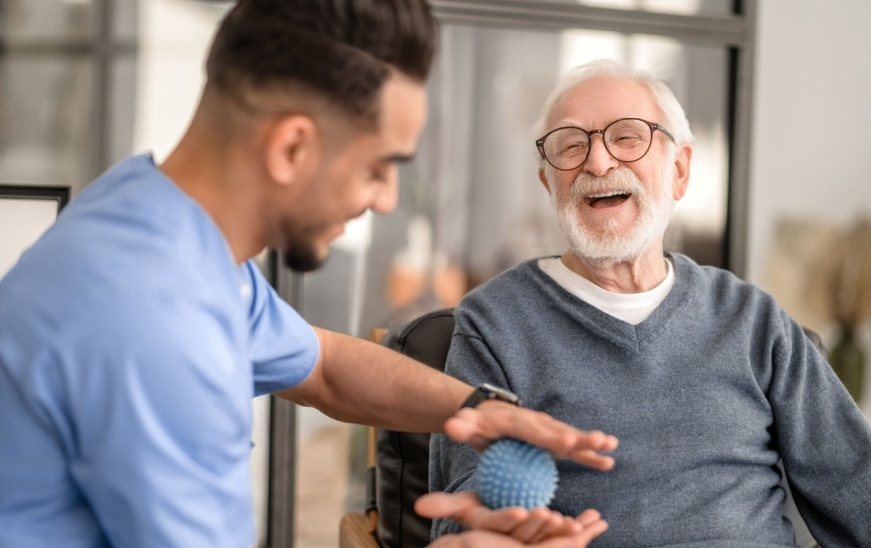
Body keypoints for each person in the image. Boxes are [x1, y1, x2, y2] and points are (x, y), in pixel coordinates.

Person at [0, 2, 619, 547]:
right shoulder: (155, 325)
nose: (385, 199)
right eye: (380, 166)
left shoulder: (160, 228)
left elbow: (323, 366)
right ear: (293, 147)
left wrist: (481, 409)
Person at [430, 58, 871, 547]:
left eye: (626, 137)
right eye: (572, 146)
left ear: (679, 170)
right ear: (547, 184)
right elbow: (462, 511)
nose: (597, 163)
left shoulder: (755, 321)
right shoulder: (495, 322)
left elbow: (856, 486)